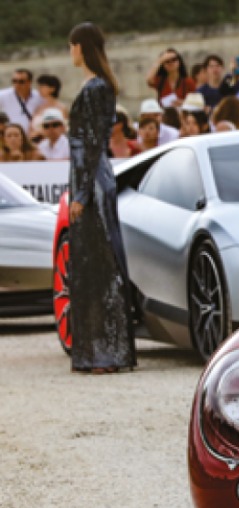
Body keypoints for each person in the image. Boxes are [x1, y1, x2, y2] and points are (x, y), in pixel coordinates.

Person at [66, 22, 136, 373]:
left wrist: (80, 194)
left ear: (81, 47)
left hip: (91, 183)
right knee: (92, 266)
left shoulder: (96, 87)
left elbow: (93, 144)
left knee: (100, 267)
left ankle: (106, 353)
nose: (70, 51)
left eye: (72, 45)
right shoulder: (96, 85)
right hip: (90, 179)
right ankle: (98, 352)